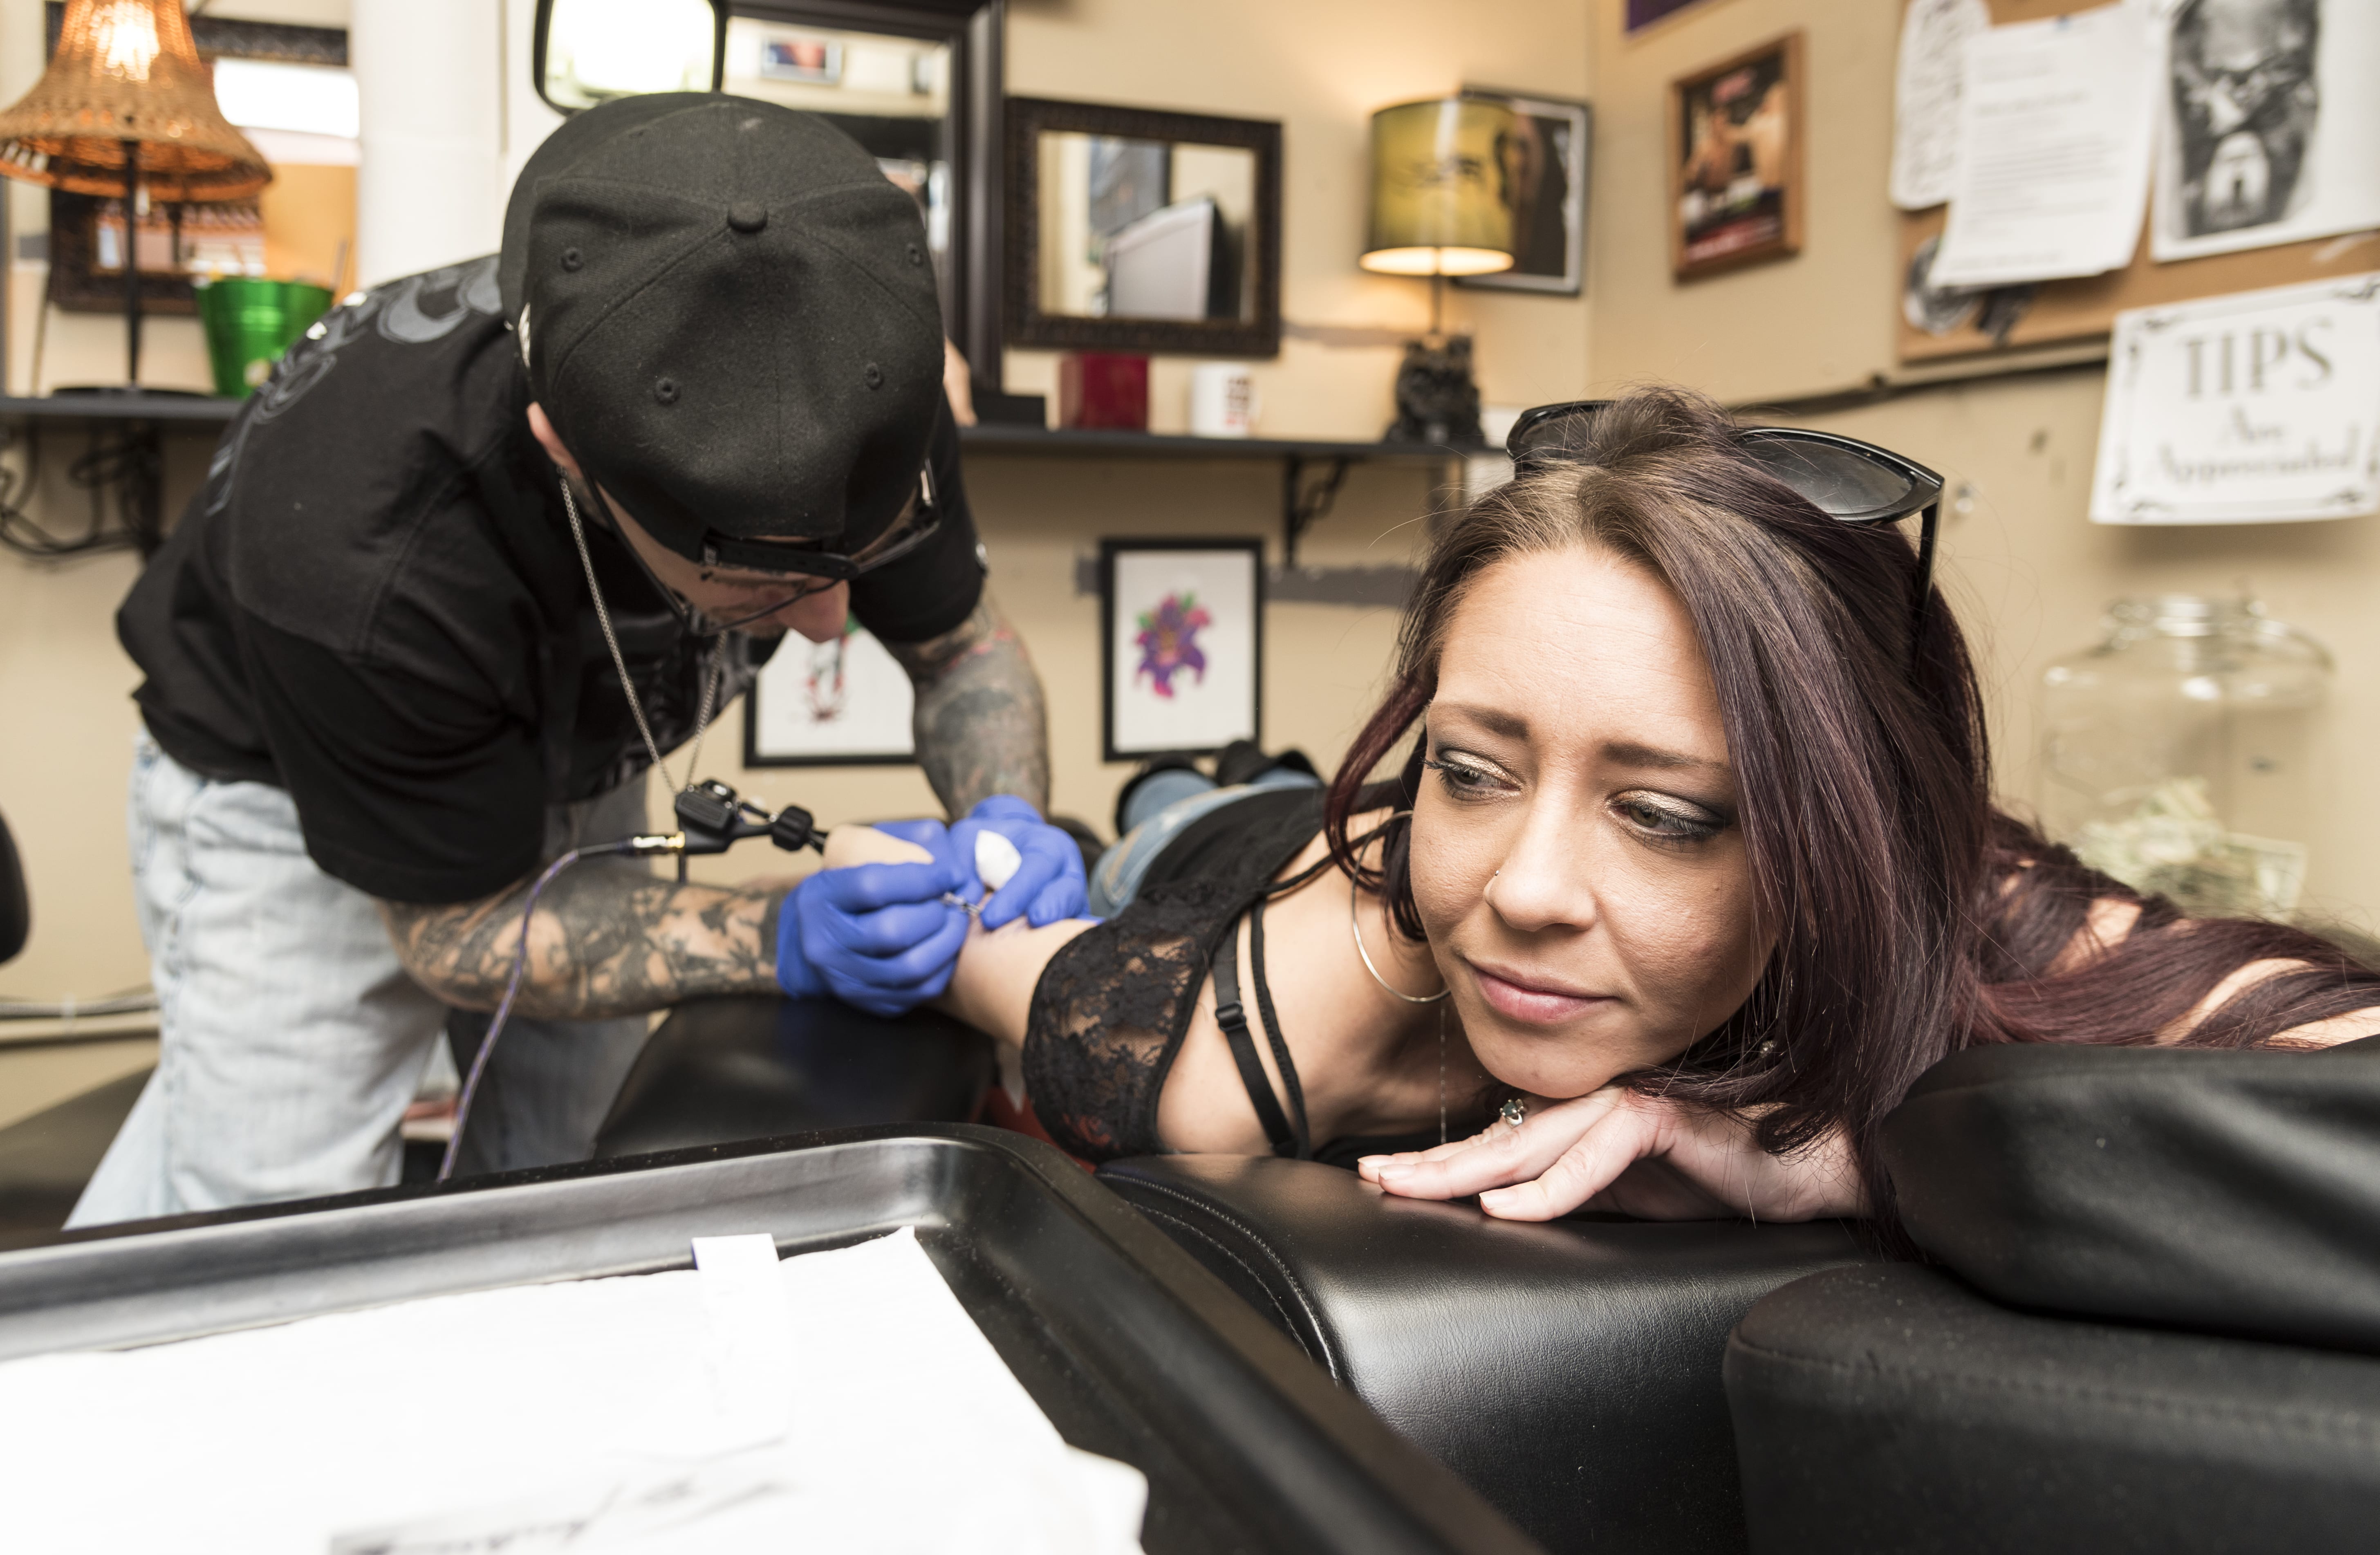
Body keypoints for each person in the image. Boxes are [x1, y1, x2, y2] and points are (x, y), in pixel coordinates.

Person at [836, 387, 2380, 1239]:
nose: (1525, 890)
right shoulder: (1299, 1020)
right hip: (1231, 859)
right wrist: (879, 895)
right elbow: (975, 936)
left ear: (1850, 831)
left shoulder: (1987, 906)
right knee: (1197, 805)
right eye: (1475, 766)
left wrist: (1842, 1151)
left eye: (1664, 812)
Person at [75, 96, 1083, 1227]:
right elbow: (458, 934)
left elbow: (966, 651)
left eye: (862, 556)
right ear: (567, 452)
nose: (831, 624)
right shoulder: (369, 549)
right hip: (297, 785)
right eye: (769, 588)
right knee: (267, 1236)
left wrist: (1010, 819)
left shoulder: (862, 381)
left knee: (567, 1176)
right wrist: (777, 929)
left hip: (575, 749)